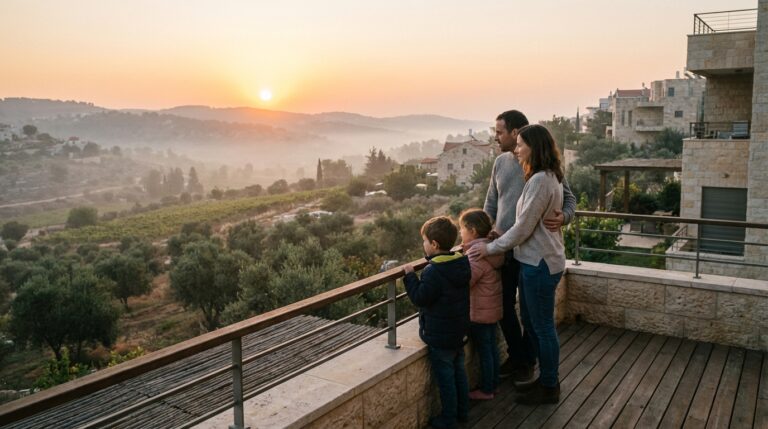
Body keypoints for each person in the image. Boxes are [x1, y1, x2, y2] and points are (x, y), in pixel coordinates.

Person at [474, 124, 567, 404]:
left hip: (539, 263)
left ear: (533, 147)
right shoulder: (545, 176)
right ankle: (544, 379)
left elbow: (523, 228)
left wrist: (490, 248)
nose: (516, 149)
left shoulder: (540, 180)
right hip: (537, 261)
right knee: (534, 322)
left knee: (542, 328)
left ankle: (550, 386)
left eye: (520, 145)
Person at [403, 216, 471, 429]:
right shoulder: (460, 262)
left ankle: (448, 419)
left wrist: (409, 277)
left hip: (440, 337)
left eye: (424, 241)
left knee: (446, 379)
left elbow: (420, 298)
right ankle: (463, 412)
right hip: (459, 331)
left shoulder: (433, 271)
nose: (423, 245)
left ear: (434, 244)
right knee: (459, 372)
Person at [458, 208, 504, 400]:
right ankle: (494, 384)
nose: (460, 233)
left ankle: (486, 390)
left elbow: (466, 282)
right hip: (491, 310)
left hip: (479, 313)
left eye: (462, 229)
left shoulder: (476, 255)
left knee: (485, 351)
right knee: (491, 349)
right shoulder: (490, 248)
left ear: (473, 231)